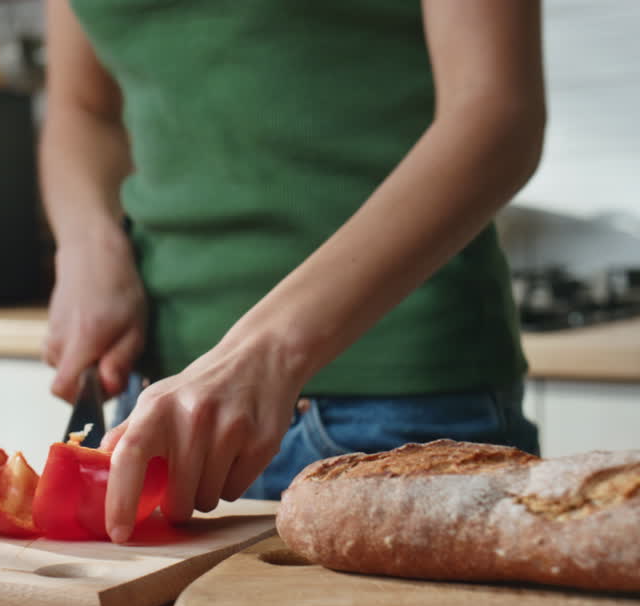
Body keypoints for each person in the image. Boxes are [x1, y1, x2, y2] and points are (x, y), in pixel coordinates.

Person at [39, 0, 546, 543]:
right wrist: (89, 244)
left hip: (399, 408)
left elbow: (497, 112)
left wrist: (270, 350)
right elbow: (81, 108)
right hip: (153, 408)